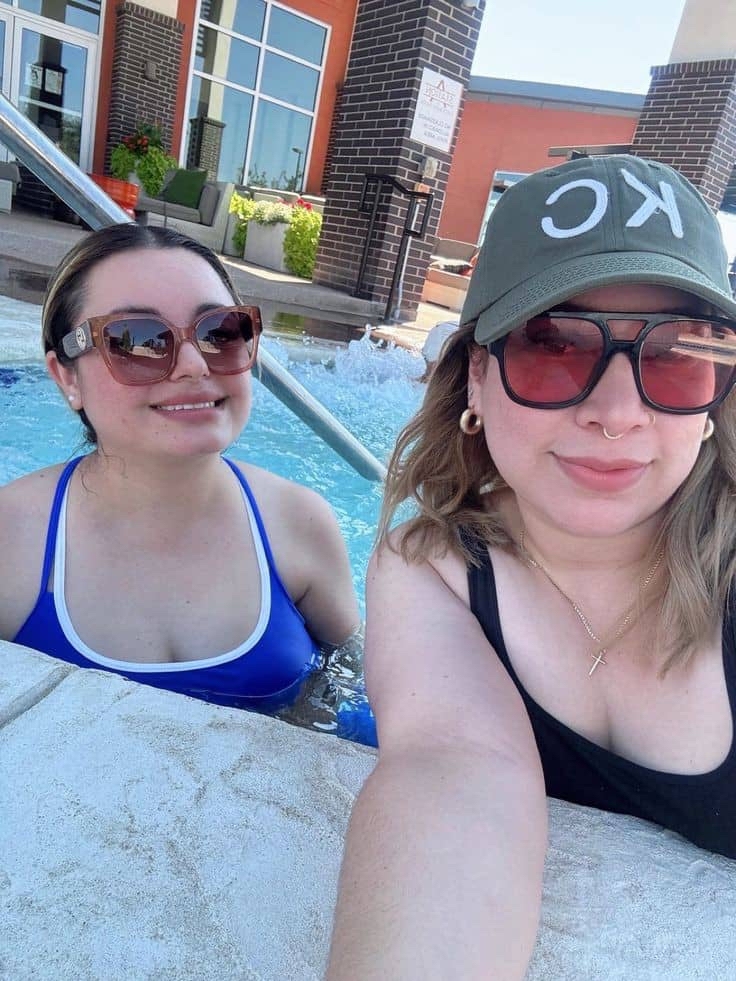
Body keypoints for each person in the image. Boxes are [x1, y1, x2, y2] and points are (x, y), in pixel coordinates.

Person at [327, 155, 736, 979]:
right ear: (476, 375)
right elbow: (451, 771)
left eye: (676, 354)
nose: (617, 413)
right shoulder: (432, 569)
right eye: (554, 345)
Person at [0, 224, 359, 713]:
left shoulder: (300, 521)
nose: (194, 365)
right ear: (67, 376)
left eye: (220, 332)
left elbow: (347, 683)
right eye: (136, 340)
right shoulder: (11, 537)